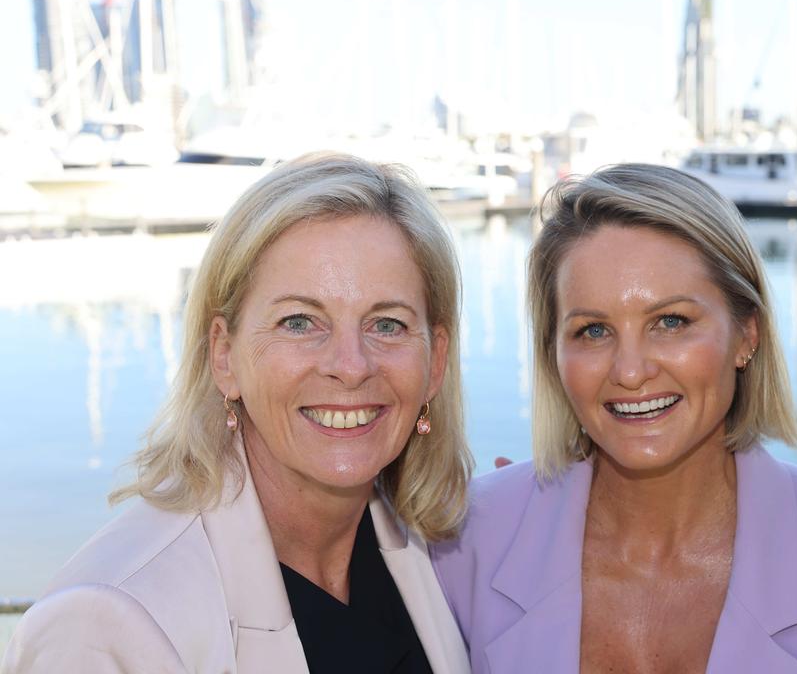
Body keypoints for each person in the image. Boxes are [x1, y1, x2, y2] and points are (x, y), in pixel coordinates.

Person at [2, 153, 473, 673]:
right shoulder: (102, 625)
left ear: (436, 362)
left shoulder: (433, 551)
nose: (351, 366)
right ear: (223, 355)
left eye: (387, 324)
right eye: (299, 321)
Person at [431, 164, 797, 673]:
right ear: (553, 354)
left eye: (671, 322)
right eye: (592, 331)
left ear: (747, 334)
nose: (631, 371)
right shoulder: (459, 544)